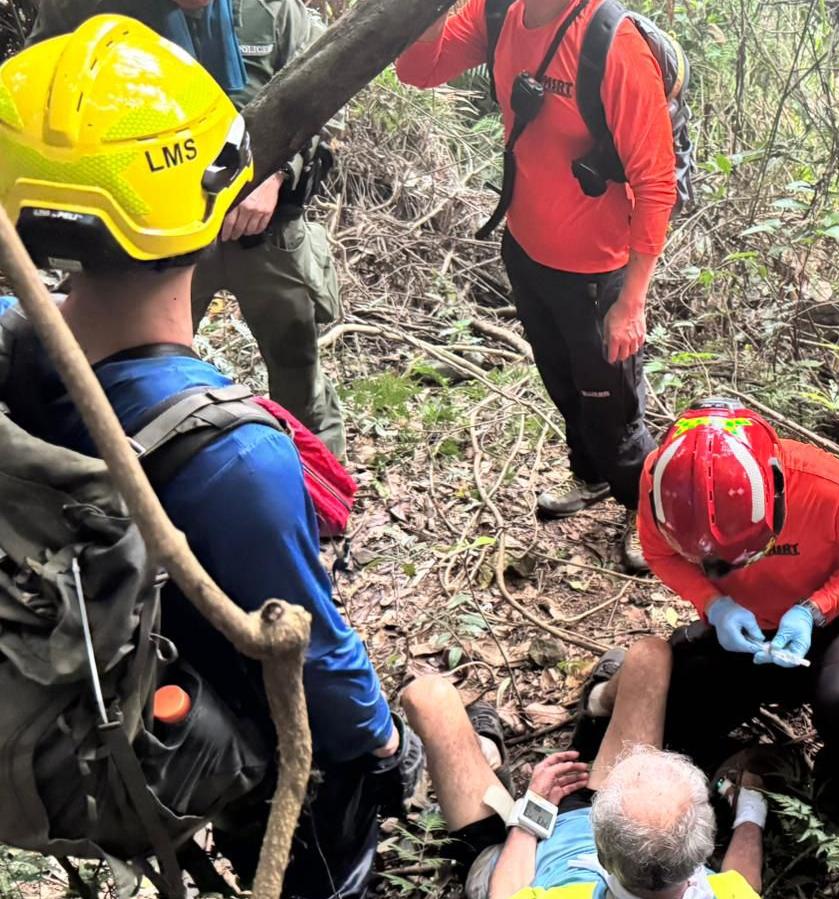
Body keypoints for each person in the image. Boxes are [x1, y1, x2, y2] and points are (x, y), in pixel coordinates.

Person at [0, 17, 414, 897]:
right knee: (343, 791)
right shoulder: (234, 458)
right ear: (220, 200)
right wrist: (382, 741)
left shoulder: (10, 353)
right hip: (201, 733)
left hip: (76, 712)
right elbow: (305, 651)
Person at [394, 0, 677, 571]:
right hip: (527, 249)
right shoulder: (497, 13)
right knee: (564, 384)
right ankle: (593, 477)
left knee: (613, 407)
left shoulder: (611, 42)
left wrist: (633, 299)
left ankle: (647, 511)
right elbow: (418, 72)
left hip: (599, 271)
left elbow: (656, 181)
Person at [30, 0, 350, 457]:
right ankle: (113, 483)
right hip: (148, 241)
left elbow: (327, 108)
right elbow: (41, 97)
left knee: (297, 368)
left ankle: (319, 489)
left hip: (263, 233)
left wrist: (275, 174)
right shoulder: (90, 11)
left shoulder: (277, 13)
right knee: (124, 365)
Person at [630, 398, 839, 824]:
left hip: (827, 629)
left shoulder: (828, 488)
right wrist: (714, 604)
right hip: (739, 633)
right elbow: (659, 554)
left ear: (774, 489)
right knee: (674, 708)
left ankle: (832, 817)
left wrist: (814, 610)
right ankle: (713, 789)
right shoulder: (662, 484)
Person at [400, 638, 767, 899]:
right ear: (702, 852)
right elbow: (744, 886)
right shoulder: (722, 892)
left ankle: (489, 753)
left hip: (513, 856)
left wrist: (532, 814)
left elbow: (506, 893)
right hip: (613, 833)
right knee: (650, 655)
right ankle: (596, 702)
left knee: (427, 697)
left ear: (602, 854)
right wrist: (751, 809)